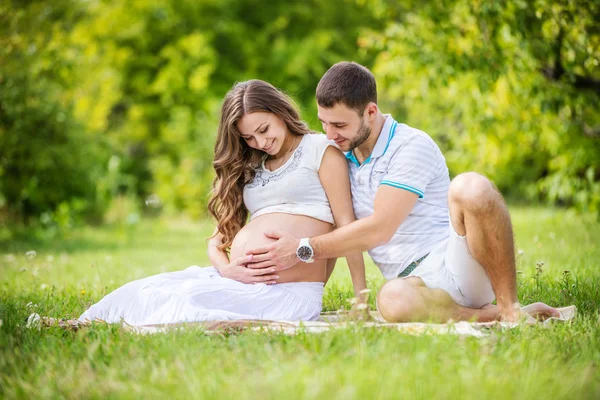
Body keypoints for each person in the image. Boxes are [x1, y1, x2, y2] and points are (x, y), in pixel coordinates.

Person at [244, 62, 560, 323]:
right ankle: (486, 317)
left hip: (457, 264)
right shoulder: (339, 155)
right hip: (410, 283)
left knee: (471, 185)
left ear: (370, 112)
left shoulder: (410, 145)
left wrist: (303, 248)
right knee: (391, 300)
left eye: (339, 125)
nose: (330, 134)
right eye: (324, 124)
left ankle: (510, 307)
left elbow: (380, 229)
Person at [78, 79, 366, 326]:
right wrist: (227, 270)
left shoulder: (320, 150)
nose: (260, 142)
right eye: (249, 137)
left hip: (289, 291)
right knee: (151, 289)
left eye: (264, 129)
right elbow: (216, 243)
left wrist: (360, 300)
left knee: (191, 301)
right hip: (238, 282)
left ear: (280, 111)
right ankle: (82, 324)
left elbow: (347, 226)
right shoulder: (254, 165)